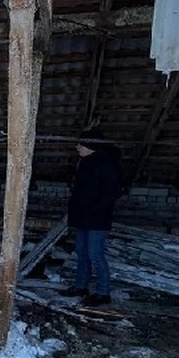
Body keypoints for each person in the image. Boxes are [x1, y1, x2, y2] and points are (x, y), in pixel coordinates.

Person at [61, 128, 123, 306]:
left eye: (81, 144)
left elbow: (113, 192)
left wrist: (94, 208)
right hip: (83, 216)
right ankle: (81, 286)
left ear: (91, 145)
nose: (77, 147)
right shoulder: (85, 162)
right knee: (82, 253)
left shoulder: (107, 164)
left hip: (97, 218)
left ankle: (103, 293)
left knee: (95, 254)